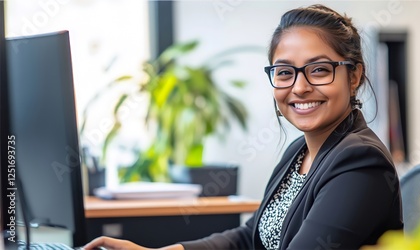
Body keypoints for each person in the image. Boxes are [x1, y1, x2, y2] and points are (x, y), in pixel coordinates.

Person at [84, 4, 403, 250]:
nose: (300, 87)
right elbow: (250, 237)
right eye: (284, 72)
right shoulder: (300, 151)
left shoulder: (361, 161)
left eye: (319, 70)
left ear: (354, 76)